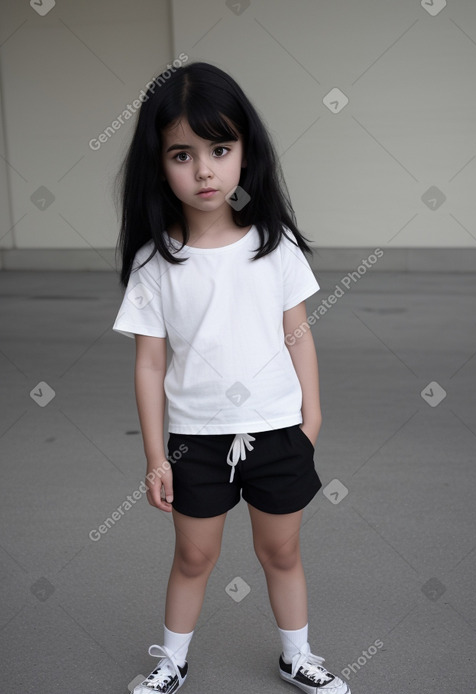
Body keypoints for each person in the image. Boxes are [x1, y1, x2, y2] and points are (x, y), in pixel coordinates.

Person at [113, 61, 351, 694]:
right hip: (195, 441)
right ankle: (172, 660)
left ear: (246, 151)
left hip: (276, 431)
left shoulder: (274, 247)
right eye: (182, 154)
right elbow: (150, 362)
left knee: (281, 553)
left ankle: (296, 655)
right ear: (158, 164)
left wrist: (313, 412)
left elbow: (297, 332)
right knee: (194, 556)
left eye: (220, 149)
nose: (204, 170)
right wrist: (155, 456)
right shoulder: (156, 263)